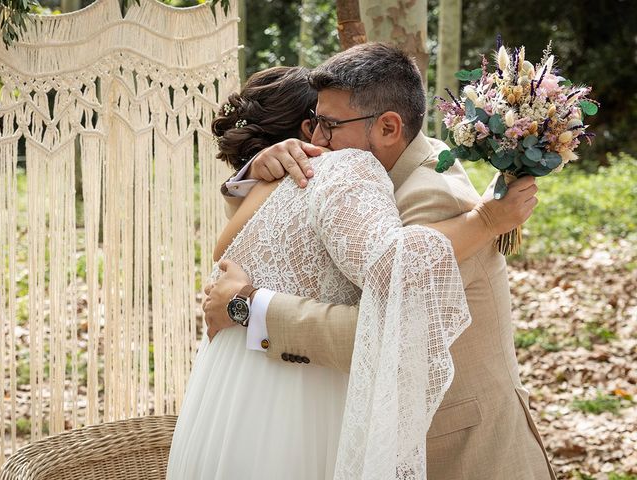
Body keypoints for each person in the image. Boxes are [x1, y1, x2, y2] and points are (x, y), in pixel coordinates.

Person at [204, 43, 556, 480]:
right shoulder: (364, 175)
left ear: (389, 127)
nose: (316, 142)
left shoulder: (432, 198)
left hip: (459, 452)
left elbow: (384, 333)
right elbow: (274, 241)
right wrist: (258, 172)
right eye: (314, 124)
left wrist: (247, 307)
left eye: (329, 126)